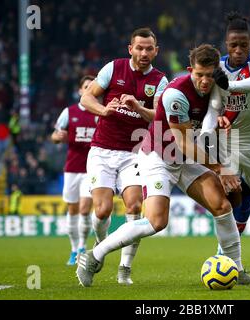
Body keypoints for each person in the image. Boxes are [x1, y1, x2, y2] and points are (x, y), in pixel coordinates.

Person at [76, 44, 250, 287]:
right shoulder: (175, 94)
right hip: (160, 157)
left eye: (209, 75)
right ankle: (94, 256)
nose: (203, 81)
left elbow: (210, 128)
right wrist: (220, 168)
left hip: (187, 159)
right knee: (157, 222)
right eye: (199, 75)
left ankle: (238, 270)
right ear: (190, 70)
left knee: (222, 206)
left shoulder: (217, 90)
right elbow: (184, 142)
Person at [79, 27, 168, 284]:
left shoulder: (159, 81)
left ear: (155, 51)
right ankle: (100, 244)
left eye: (149, 48)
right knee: (103, 209)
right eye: (139, 48)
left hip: (134, 153)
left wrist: (138, 107)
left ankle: (125, 268)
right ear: (130, 49)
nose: (143, 53)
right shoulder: (113, 68)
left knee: (135, 206)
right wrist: (104, 111)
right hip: (102, 151)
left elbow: (160, 116)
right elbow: (86, 98)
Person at [203, 12, 250, 240]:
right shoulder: (218, 66)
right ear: (227, 44)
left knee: (249, 194)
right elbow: (214, 106)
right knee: (230, 192)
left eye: (243, 45)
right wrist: (206, 131)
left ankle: (231, 254)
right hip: (229, 139)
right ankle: (225, 259)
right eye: (233, 45)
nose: (238, 50)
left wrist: (229, 85)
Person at [51, 75, 97, 266]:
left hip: (91, 168)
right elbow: (55, 135)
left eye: (92, 86)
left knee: (85, 209)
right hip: (72, 168)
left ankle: (81, 247)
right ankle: (72, 249)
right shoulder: (69, 112)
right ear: (80, 90)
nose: (89, 89)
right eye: (86, 86)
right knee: (72, 209)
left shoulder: (100, 113)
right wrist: (57, 137)